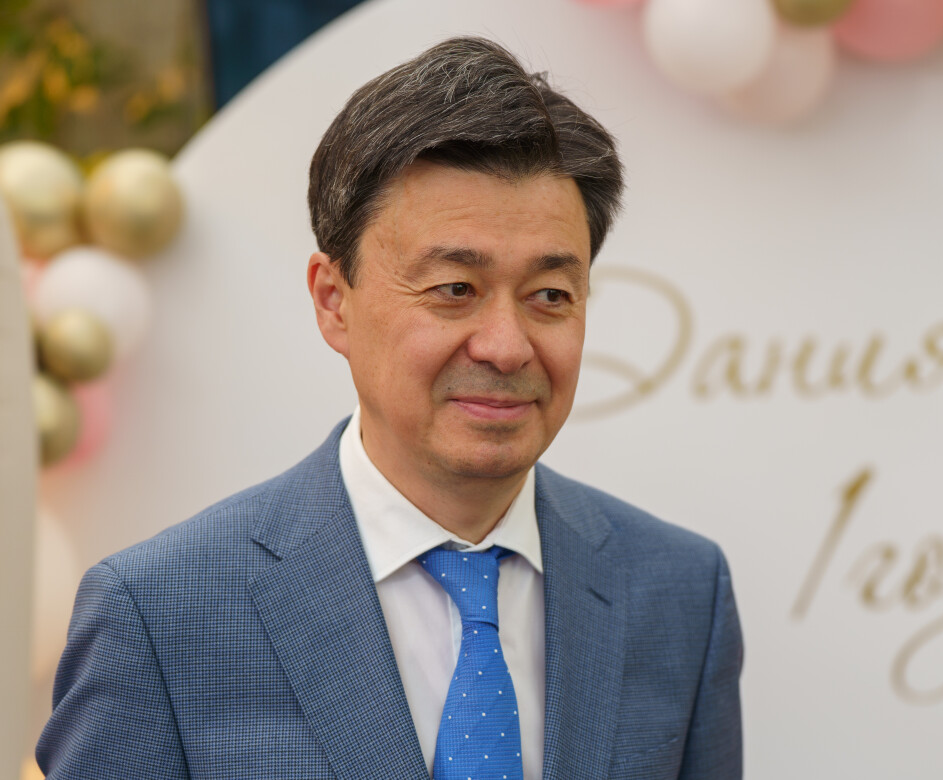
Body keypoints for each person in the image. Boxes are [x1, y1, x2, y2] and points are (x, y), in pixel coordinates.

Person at [37, 37, 742, 780]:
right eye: (455, 290)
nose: (507, 347)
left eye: (549, 295)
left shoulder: (678, 592)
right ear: (333, 300)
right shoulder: (159, 616)